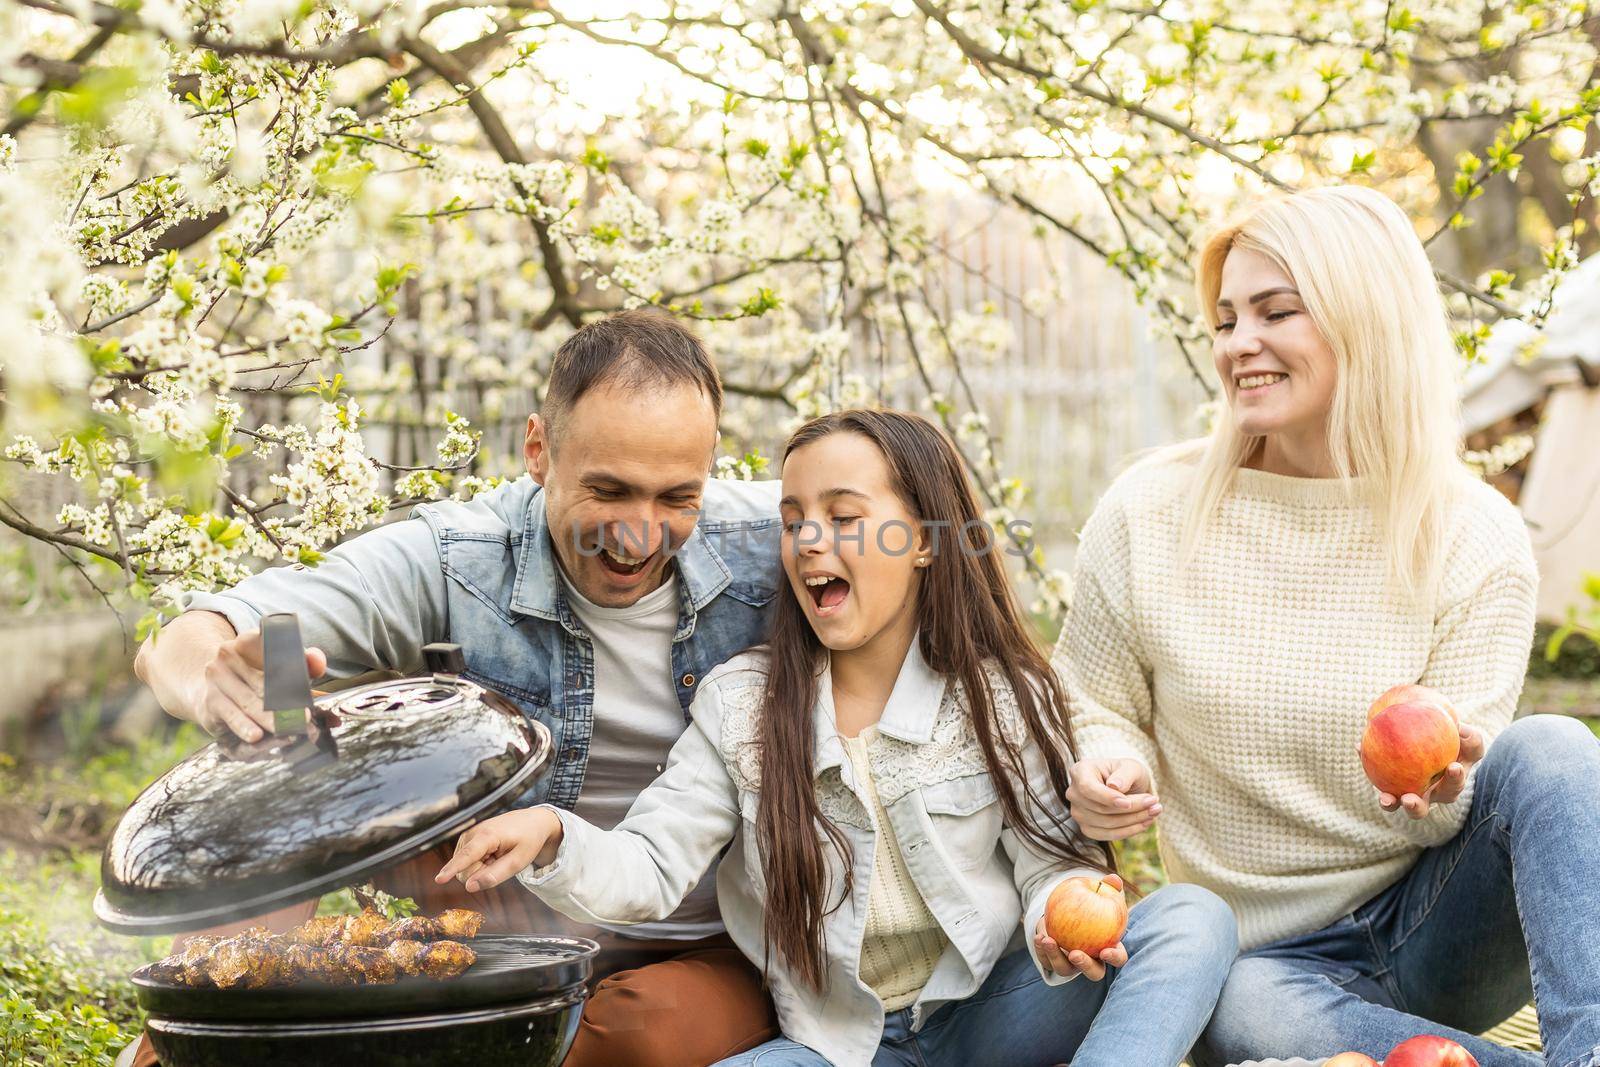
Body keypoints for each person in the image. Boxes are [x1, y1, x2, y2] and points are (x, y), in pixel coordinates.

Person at [439, 409, 1238, 1067]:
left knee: (1193, 919)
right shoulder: (743, 705)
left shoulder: (1000, 695)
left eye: (844, 517)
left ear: (921, 539)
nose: (810, 541)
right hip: (842, 1048)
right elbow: (650, 863)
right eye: (794, 522)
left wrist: (1062, 912)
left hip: (994, 1020)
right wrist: (551, 836)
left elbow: (1050, 865)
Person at [132, 309, 784, 1066]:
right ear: (538, 449)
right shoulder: (457, 559)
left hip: (697, 931)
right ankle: (182, 1048)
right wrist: (218, 677)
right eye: (608, 490)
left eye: (676, 498)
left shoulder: (779, 544)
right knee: (282, 778)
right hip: (498, 901)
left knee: (639, 1036)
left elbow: (924, 559)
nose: (640, 533)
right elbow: (195, 635)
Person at [1054, 185, 1600, 1066]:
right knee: (1236, 1006)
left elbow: (1450, 797)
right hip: (1267, 961)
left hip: (1436, 922)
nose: (1240, 344)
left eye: (1276, 312)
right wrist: (1108, 762)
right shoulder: (1149, 511)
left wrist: (1447, 783)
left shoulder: (1473, 532)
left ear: (1365, 320)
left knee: (1555, 749)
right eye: (1227, 319)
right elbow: (1091, 700)